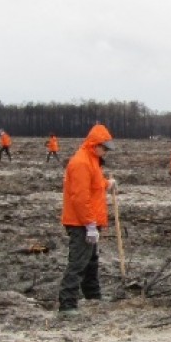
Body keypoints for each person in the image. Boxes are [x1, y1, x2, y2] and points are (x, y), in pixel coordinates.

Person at [58, 124, 117, 317]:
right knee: (78, 262)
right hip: (80, 223)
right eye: (105, 148)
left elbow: (95, 185)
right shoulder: (81, 163)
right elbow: (80, 198)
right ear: (95, 144)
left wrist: (108, 184)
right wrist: (90, 224)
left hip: (88, 222)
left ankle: (93, 298)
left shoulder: (92, 160)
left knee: (91, 261)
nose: (106, 152)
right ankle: (67, 305)